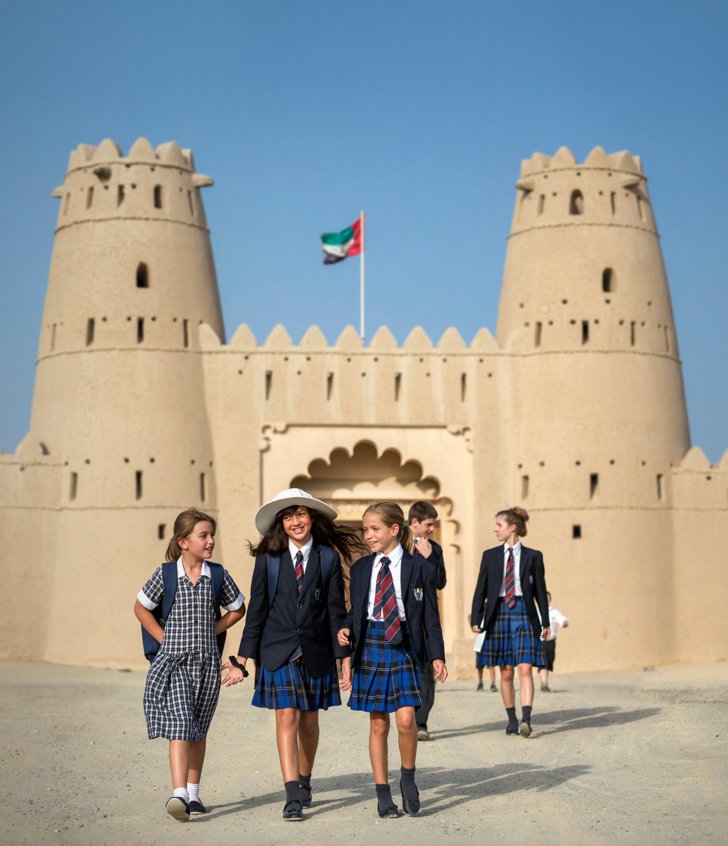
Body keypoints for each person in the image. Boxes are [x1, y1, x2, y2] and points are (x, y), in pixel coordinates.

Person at [221, 489, 361, 821]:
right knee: (286, 716)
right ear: (280, 524)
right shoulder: (268, 560)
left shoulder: (327, 557)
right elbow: (257, 610)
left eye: (300, 514)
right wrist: (242, 659)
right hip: (277, 650)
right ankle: (292, 793)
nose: (295, 521)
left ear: (311, 518)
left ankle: (306, 778)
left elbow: (335, 611)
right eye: (287, 517)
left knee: (309, 721)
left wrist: (345, 659)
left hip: (316, 650)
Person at [134, 508, 246, 822]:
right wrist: (163, 637)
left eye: (212, 534)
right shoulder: (166, 574)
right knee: (180, 723)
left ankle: (194, 794)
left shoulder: (218, 574)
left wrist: (213, 629)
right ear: (183, 542)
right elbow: (141, 607)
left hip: (208, 665)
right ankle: (178, 792)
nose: (210, 541)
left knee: (198, 729)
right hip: (173, 663)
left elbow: (238, 609)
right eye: (203, 535)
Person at [338, 502, 448, 818]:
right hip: (371, 644)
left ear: (394, 529)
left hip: (405, 646)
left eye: (374, 529)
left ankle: (408, 779)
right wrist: (346, 629)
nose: (367, 535)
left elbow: (430, 617)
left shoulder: (421, 569)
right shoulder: (361, 569)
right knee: (377, 724)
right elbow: (355, 612)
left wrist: (437, 655)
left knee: (406, 720)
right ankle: (383, 792)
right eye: (365, 529)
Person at [470, 506, 550, 738]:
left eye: (499, 525)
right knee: (506, 672)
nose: (495, 529)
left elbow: (540, 591)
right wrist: (476, 617)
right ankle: (512, 719)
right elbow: (480, 589)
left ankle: (526, 718)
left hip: (524, 612)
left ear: (512, 527)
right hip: (498, 614)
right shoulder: (490, 556)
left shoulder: (534, 556)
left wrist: (545, 622)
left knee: (525, 668)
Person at [407, 501, 447, 741]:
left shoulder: (435, 550)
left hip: (425, 618)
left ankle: (421, 723)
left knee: (425, 672)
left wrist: (430, 558)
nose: (431, 529)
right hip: (401, 618)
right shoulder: (398, 545)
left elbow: (440, 582)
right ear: (414, 522)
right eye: (428, 524)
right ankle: (407, 718)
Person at [539, 591, 569, 691]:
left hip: (551, 642)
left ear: (550, 599)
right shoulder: (537, 611)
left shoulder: (554, 612)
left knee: (548, 662)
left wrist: (564, 623)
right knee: (544, 662)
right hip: (541, 641)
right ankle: (544, 684)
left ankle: (545, 683)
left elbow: (562, 620)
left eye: (547, 598)